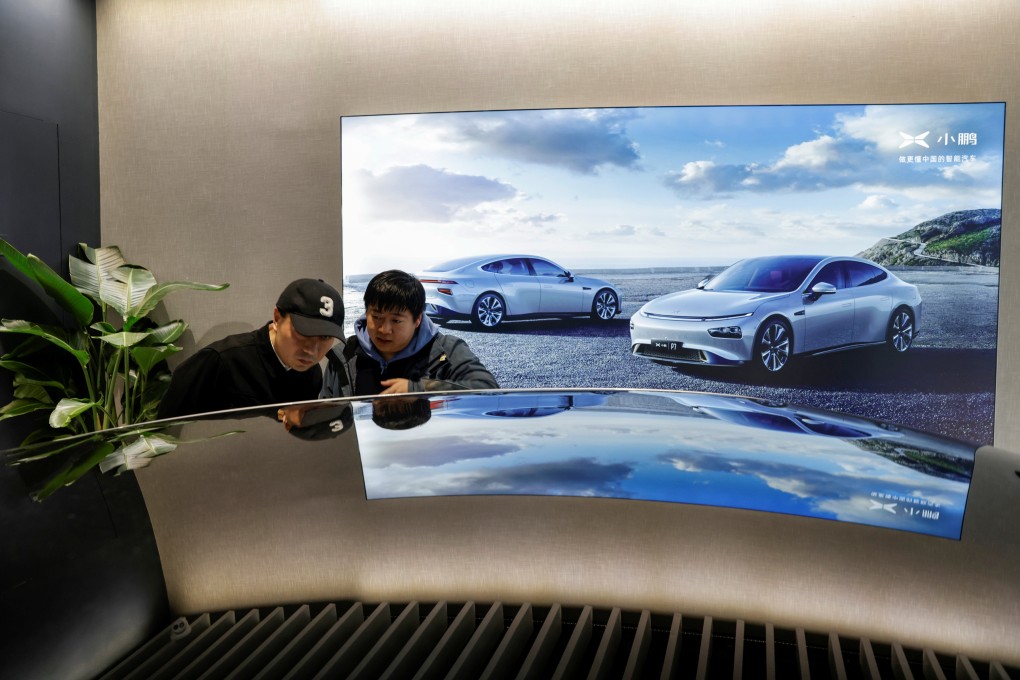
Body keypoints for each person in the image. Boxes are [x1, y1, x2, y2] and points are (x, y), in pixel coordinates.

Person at [157, 278, 344, 418]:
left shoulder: (311, 374)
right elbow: (166, 432)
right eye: (303, 333)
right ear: (277, 318)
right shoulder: (219, 362)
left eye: (325, 337)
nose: (312, 351)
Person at [319, 269, 498, 397]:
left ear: (417, 319)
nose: (384, 329)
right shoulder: (343, 354)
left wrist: (419, 389)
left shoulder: (447, 350)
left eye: (396, 320)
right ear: (366, 313)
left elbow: (488, 390)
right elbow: (326, 413)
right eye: (377, 317)